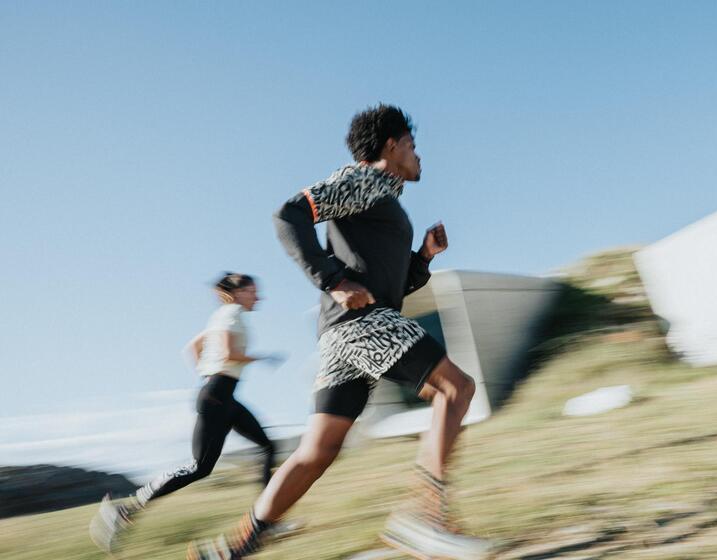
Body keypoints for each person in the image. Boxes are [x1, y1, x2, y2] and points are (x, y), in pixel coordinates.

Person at [188, 104, 492, 559]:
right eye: (412, 144)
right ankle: (424, 517)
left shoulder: (385, 201)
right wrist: (331, 278)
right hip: (361, 326)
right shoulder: (362, 180)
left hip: (342, 333)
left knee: (318, 451)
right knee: (457, 388)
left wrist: (424, 257)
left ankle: (235, 546)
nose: (418, 154)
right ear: (391, 145)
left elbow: (388, 286)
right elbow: (288, 215)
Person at [90, 273, 285, 553]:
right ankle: (125, 510)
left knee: (267, 446)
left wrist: (207, 376)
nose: (258, 297)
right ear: (239, 292)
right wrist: (262, 357)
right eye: (253, 291)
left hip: (221, 395)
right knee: (200, 467)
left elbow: (192, 347)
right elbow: (230, 353)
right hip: (217, 396)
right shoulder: (232, 314)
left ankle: (268, 519)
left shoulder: (221, 315)